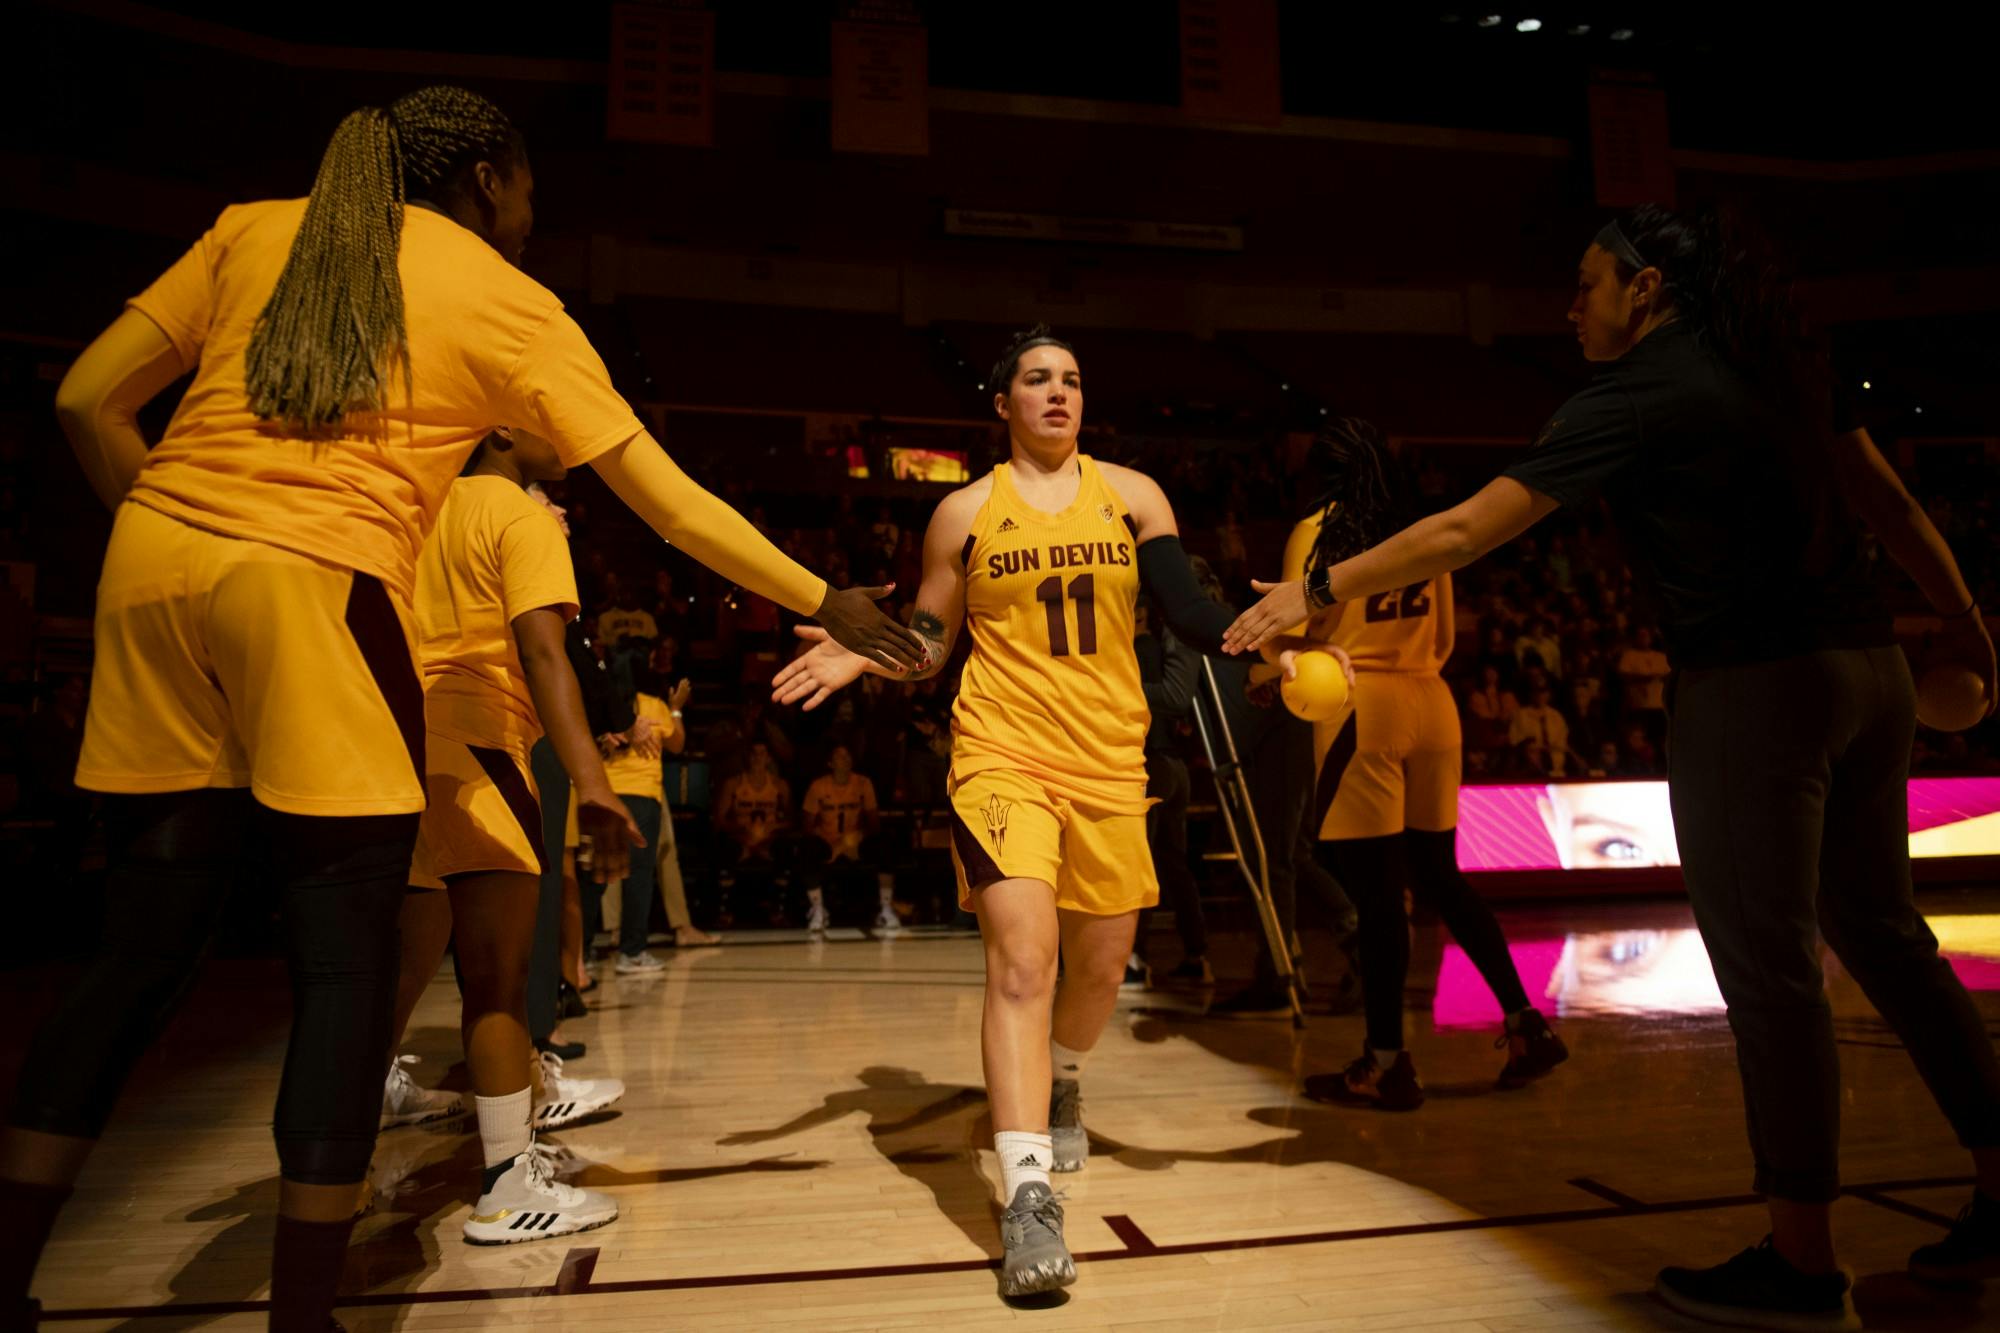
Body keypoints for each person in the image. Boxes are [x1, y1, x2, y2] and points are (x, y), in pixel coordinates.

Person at [9, 83, 921, 1332]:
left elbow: (81, 401)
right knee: (346, 973)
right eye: (532, 188)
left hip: (147, 569)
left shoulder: (248, 228)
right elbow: (669, 504)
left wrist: (182, 536)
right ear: (487, 177)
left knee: (136, 955)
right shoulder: (506, 296)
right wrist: (827, 593)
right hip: (313, 587)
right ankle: (306, 1315)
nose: (535, 212)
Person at [1226, 203, 2000, 1328]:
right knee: (1887, 936)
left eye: (1585, 281)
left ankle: (1797, 1258)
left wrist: (1316, 588)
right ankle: (1992, 1188)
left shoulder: (1634, 394)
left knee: (1772, 971)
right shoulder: (1775, 364)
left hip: (1755, 689)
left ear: (1643, 289)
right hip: (1872, 669)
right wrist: (1965, 620)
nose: (1568, 303)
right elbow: (1883, 498)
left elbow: (1461, 531)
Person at [772, 325, 1244, 1296]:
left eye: (1071, 378)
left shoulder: (1134, 496)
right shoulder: (962, 514)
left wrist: (1277, 625)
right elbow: (932, 639)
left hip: (1110, 758)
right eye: (1037, 380)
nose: (1058, 393)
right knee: (1022, 958)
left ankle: (1063, 1073)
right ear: (1002, 404)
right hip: (999, 755)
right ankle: (1027, 1196)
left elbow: (1189, 616)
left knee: (1101, 966)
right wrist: (870, 651)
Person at [1243, 419, 1566, 1111]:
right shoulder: (1419, 528)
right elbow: (1446, 633)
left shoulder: (1319, 531)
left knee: (1379, 897)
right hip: (1433, 700)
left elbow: (1311, 631)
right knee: (1442, 877)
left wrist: (1267, 666)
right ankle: (1525, 1023)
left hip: (1365, 706)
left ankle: (1385, 1063)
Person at [388, 431, 632, 1243]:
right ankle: (504, 1184)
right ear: (497, 431)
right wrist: (592, 783)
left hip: (397, 744)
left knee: (393, 975)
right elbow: (540, 651)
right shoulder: (522, 516)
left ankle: (345, 1158)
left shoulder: (416, 502)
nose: (563, 433)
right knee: (493, 982)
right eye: (539, 416)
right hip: (481, 739)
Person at [601, 682, 690, 973]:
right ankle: (632, 950)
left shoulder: (602, 701)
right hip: (641, 795)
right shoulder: (652, 704)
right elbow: (677, 744)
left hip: (604, 792)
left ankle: (584, 952)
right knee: (639, 872)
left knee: (597, 872)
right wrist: (675, 709)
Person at [798, 744, 895, 932]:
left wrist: (858, 835)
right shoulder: (818, 786)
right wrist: (830, 840)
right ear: (830, 763)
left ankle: (885, 907)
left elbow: (874, 823)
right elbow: (807, 826)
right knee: (807, 849)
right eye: (840, 757)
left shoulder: (863, 783)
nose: (846, 760)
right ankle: (818, 908)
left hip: (854, 843)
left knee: (884, 845)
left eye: (848, 756)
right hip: (828, 844)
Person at [714, 740, 794, 924]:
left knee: (785, 849)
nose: (758, 758)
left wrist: (774, 828)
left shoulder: (779, 785)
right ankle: (725, 909)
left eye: (762, 753)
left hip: (769, 840)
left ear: (768, 758)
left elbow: (792, 820)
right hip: (741, 839)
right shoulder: (733, 784)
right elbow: (720, 818)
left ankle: (778, 908)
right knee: (724, 848)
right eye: (754, 753)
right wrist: (741, 830)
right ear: (748, 758)